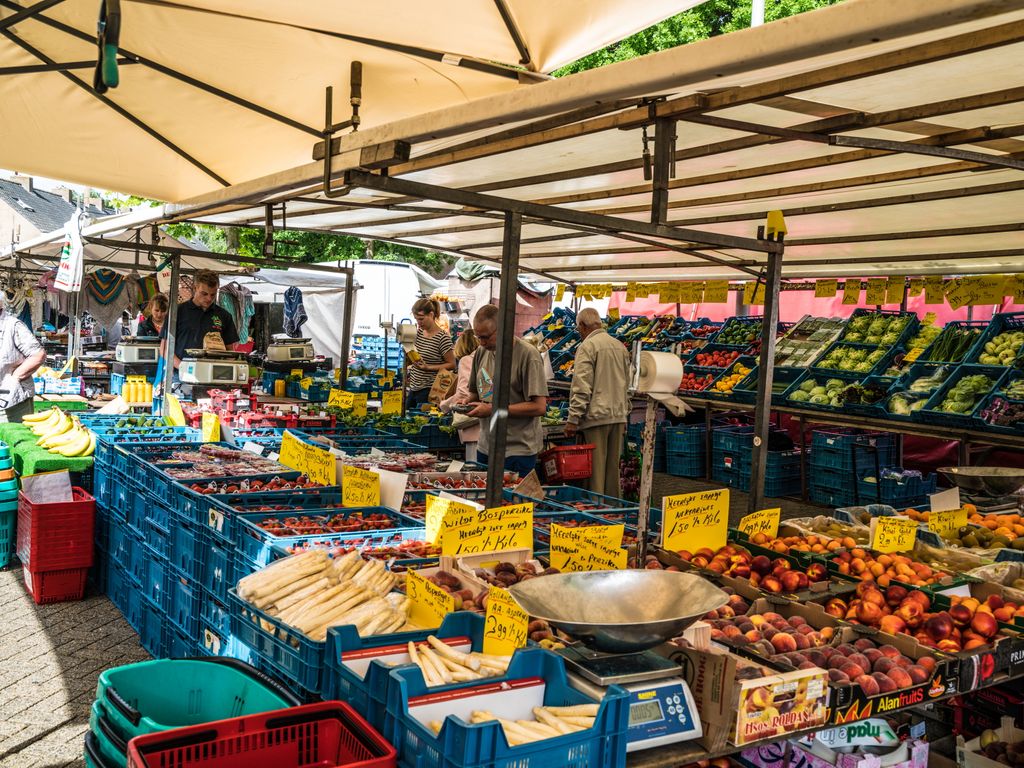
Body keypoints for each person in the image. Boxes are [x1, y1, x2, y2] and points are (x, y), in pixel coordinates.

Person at [466, 304, 548, 475]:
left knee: (513, 501)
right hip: (486, 447)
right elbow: (475, 392)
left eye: (486, 337)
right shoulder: (481, 353)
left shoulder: (528, 355)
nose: (481, 342)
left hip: (517, 450)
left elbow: (539, 407)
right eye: (477, 337)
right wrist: (466, 403)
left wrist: (493, 410)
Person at [565, 307, 631, 497]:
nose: (579, 333)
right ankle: (614, 513)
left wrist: (573, 419)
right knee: (612, 473)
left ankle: (597, 516)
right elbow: (627, 385)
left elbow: (582, 387)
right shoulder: (619, 346)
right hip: (617, 416)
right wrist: (625, 414)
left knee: (595, 474)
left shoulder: (588, 346)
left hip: (595, 418)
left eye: (578, 330)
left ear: (583, 326)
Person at [160, 270, 240, 372]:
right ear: (195, 288)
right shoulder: (177, 312)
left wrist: (223, 370)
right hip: (180, 374)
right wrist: (183, 367)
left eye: (213, 294)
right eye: (204, 293)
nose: (209, 298)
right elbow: (165, 348)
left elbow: (230, 351)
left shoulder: (224, 316)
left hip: (213, 375)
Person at [0, 297, 45, 423]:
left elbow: (38, 355)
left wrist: (15, 377)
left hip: (10, 400)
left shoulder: (13, 325)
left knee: (10, 437)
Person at [439, 329, 481, 462]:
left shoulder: (467, 360)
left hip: (474, 423)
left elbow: (464, 393)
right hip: (492, 426)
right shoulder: (488, 358)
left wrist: (444, 405)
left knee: (476, 468)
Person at [406, 298, 455, 410]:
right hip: (414, 388)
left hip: (430, 391)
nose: (419, 322)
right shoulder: (418, 333)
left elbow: (452, 365)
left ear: (431, 315)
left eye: (421, 319)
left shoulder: (442, 338)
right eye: (416, 319)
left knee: (423, 421)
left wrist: (428, 367)